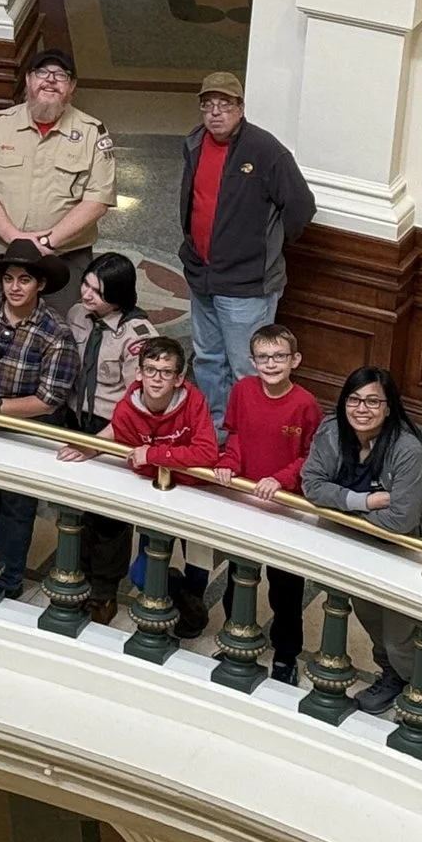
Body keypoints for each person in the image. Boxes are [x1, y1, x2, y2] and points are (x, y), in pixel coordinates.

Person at [179, 71, 316, 433]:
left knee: (247, 366)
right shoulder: (194, 143)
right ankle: (215, 430)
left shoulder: (266, 151)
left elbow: (300, 206)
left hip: (247, 283)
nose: (215, 113)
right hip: (202, 273)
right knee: (207, 358)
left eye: (225, 105)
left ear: (241, 109)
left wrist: (268, 247)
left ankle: (248, 436)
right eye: (208, 105)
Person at [301, 366, 422, 713]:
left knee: (399, 633)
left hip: (403, 552)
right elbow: (312, 485)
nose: (362, 409)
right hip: (356, 548)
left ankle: (420, 689)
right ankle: (391, 674)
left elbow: (400, 520)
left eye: (373, 402)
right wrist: (363, 501)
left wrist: (342, 512)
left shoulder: (407, 451)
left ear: (389, 407)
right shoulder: (332, 432)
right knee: (371, 619)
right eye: (354, 399)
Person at [62, 332, 216, 637]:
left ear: (179, 378)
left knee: (198, 569)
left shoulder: (194, 402)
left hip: (195, 493)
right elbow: (114, 433)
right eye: (150, 370)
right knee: (143, 573)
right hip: (154, 496)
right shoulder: (128, 407)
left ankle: (190, 612)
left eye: (166, 372)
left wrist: (154, 454)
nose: (157, 379)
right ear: (139, 372)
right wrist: (86, 448)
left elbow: (207, 452)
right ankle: (185, 604)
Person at [0, 238, 80, 599]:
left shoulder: (56, 333)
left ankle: (7, 582)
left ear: (39, 284)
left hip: (28, 431)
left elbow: (47, 400)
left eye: (24, 280)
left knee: (16, 507)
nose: (15, 287)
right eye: (9, 279)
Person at [0, 47, 115, 309]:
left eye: (61, 75)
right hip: (1, 257)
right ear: (28, 81)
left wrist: (46, 242)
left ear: (72, 87)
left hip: (63, 260)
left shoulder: (93, 133)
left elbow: (97, 201)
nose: (50, 80)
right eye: (42, 72)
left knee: (62, 336)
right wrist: (15, 238)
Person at [214, 325, 323, 683]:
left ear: (295, 360)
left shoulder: (306, 404)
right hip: (245, 501)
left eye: (279, 357)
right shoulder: (243, 390)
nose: (271, 363)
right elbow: (237, 435)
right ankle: (236, 636)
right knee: (238, 576)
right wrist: (230, 462)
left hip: (285, 506)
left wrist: (282, 479)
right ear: (252, 360)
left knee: (285, 589)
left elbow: (312, 457)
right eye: (263, 357)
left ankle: (286, 657)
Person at [60, 252, 156, 621]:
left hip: (113, 429)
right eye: (85, 284)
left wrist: (97, 443)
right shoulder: (76, 316)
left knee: (109, 518)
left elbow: (137, 402)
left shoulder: (138, 336)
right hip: (75, 417)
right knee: (76, 507)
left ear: (118, 295)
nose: (86, 295)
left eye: (97, 292)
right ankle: (74, 574)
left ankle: (104, 591)